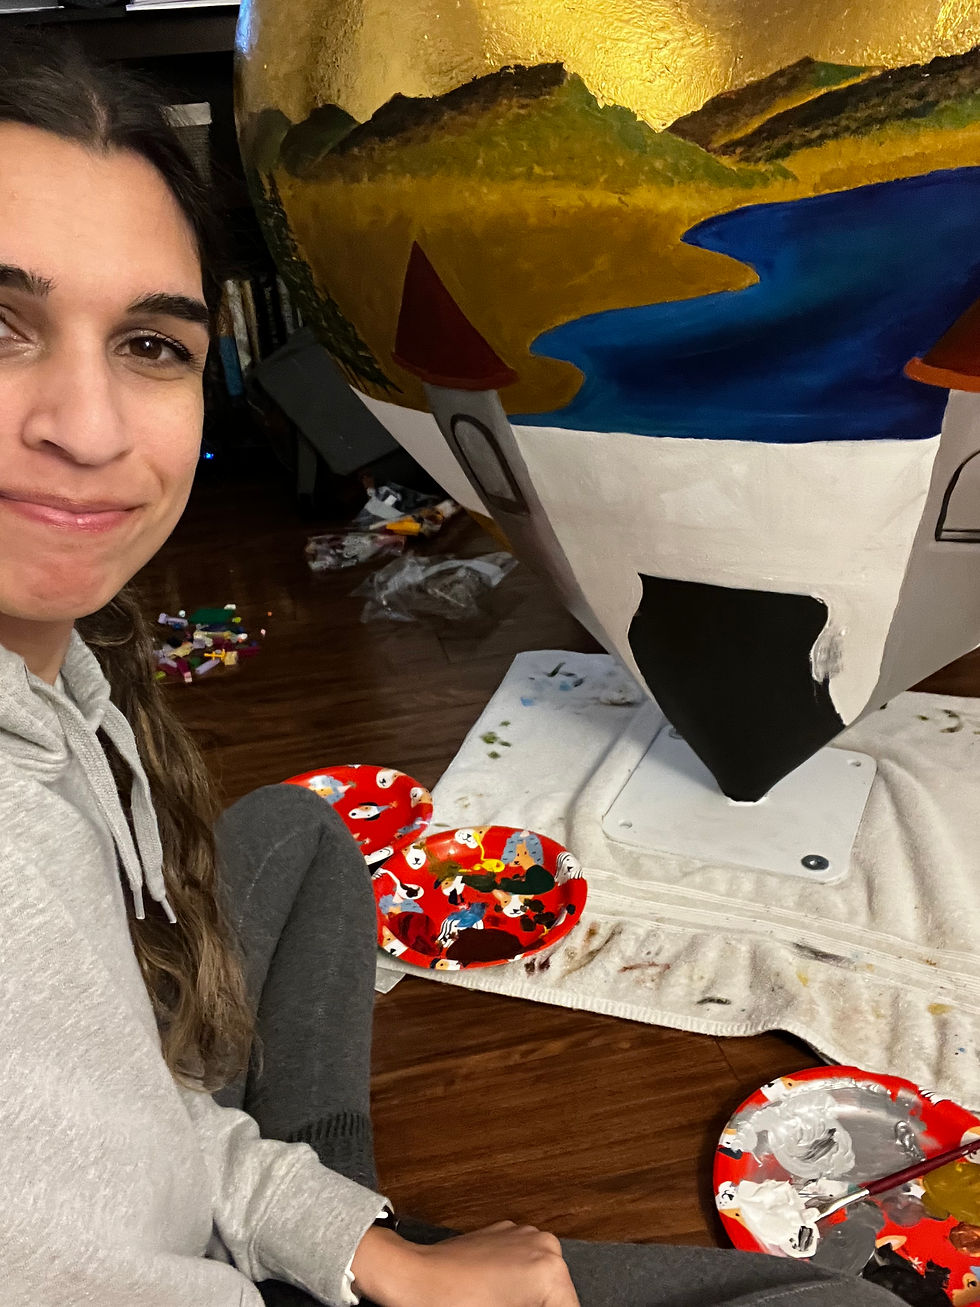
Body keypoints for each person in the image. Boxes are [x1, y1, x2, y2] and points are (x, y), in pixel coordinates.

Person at [0, 33, 904, 1307]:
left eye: (150, 343)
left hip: (171, 1164)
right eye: (1, 323)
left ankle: (342, 1214)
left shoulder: (61, 682)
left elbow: (135, 1102)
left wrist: (363, 1244)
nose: (87, 429)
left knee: (295, 837)